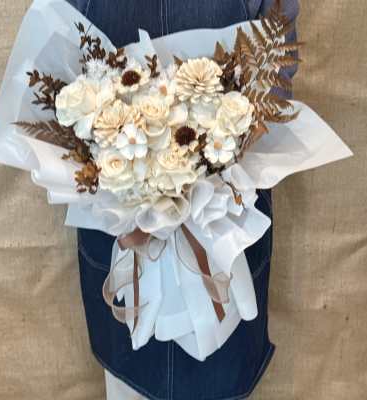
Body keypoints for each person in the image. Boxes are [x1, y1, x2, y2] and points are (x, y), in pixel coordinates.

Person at [67, 1, 299, 399]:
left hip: (224, 217)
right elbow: (62, 60)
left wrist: (217, 156)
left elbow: (278, 54)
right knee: (130, 381)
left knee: (218, 367)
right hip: (122, 225)